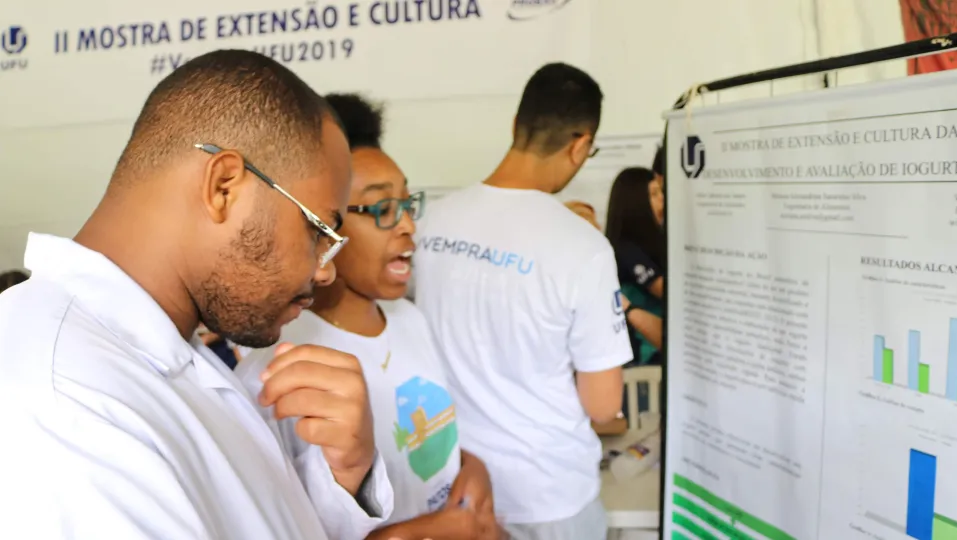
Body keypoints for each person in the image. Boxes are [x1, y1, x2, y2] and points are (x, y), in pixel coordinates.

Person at [0, 50, 394, 539]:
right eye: (318, 231)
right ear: (224, 186)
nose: (325, 271)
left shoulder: (170, 347)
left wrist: (344, 473)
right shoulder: (61, 399)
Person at [239, 93, 500, 540]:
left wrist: (472, 469)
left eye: (407, 203)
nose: (407, 225)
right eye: (381, 209)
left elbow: (435, 440)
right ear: (325, 226)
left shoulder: (409, 319)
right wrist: (418, 533)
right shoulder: (280, 370)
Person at [413, 63, 632, 540]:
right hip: (549, 495)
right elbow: (603, 405)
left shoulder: (432, 224)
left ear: (516, 125)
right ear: (580, 144)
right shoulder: (583, 248)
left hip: (457, 490)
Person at [605, 167, 665, 366]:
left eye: (661, 192)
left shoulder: (656, 244)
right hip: (643, 358)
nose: (662, 200)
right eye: (654, 194)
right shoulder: (625, 250)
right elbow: (667, 293)